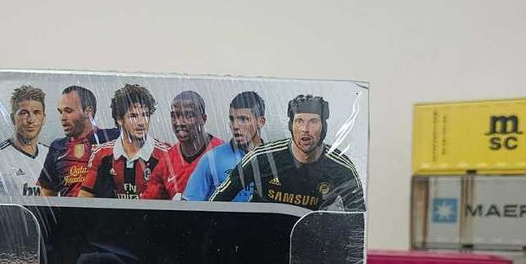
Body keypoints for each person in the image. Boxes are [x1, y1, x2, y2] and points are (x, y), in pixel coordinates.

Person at [209, 94, 365, 210]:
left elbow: (358, 222)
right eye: (299, 121)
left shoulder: (341, 167)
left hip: (308, 239)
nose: (305, 129)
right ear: (291, 126)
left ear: (324, 126)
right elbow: (216, 201)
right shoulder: (262, 158)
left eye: (313, 122)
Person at [79, 84, 169, 199]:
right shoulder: (101, 154)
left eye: (145, 115)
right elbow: (84, 199)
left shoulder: (165, 155)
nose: (141, 122)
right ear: (119, 119)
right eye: (133, 116)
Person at [183, 91, 266, 201]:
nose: (235, 126)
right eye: (232, 119)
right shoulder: (211, 159)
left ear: (261, 122)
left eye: (243, 119)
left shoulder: (274, 159)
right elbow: (188, 206)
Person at [141, 90, 223, 200]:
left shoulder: (222, 153)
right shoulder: (167, 161)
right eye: (174, 116)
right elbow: (148, 203)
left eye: (188, 115)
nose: (179, 123)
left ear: (203, 119)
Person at [38, 85, 118, 196]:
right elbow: (46, 195)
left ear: (88, 112)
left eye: (68, 111)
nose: (62, 117)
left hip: (105, 207)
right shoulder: (57, 147)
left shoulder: (112, 138)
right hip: (68, 208)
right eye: (60, 112)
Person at [0, 85, 48, 196]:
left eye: (36, 113)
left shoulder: (55, 155)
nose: (31, 120)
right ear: (12, 118)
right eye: (24, 113)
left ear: (44, 119)